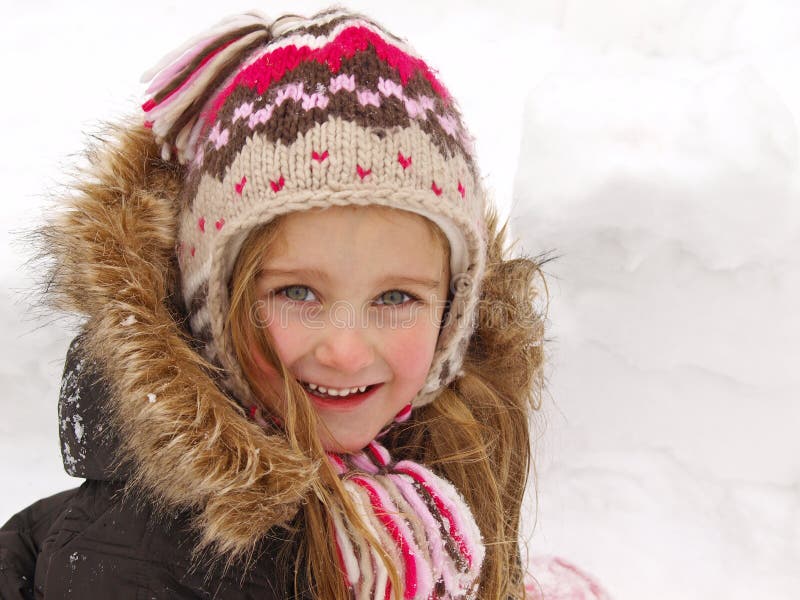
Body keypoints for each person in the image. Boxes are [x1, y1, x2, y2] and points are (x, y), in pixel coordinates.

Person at [0, 7, 545, 599]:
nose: (344, 350)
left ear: (452, 315)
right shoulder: (148, 555)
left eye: (395, 297)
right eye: (297, 293)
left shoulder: (453, 448)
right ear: (211, 309)